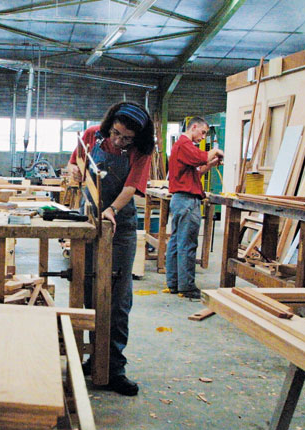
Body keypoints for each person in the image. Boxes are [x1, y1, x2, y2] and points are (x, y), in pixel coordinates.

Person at [68, 102, 153, 397]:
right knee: (90, 290)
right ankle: (94, 359)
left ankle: (114, 367)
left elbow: (131, 188)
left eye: (126, 138)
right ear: (109, 126)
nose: (118, 141)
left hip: (120, 226)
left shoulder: (142, 151)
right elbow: (74, 163)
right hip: (88, 220)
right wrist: (74, 174)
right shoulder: (92, 136)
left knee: (118, 298)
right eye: (116, 134)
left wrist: (112, 210)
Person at [165, 117, 223, 300]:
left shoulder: (181, 146)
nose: (203, 137)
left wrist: (211, 165)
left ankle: (174, 282)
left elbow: (196, 171)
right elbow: (203, 156)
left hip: (181, 200)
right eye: (203, 132)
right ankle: (187, 286)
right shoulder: (185, 144)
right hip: (187, 201)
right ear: (194, 127)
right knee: (187, 244)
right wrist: (215, 151)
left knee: (176, 242)